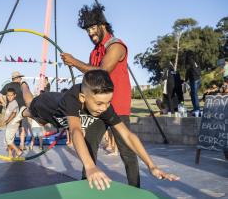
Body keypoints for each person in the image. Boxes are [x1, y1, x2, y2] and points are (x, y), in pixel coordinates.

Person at [14, 69, 179, 190]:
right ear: (83, 98)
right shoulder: (73, 98)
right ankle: (23, 84)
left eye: (108, 102)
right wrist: (90, 166)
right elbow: (76, 131)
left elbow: (128, 135)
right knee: (30, 105)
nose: (104, 108)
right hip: (46, 108)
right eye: (99, 104)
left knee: (43, 121)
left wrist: (152, 166)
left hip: (60, 121)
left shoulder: (103, 106)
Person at [60, 4, 140, 187]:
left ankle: (136, 189)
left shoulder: (117, 45)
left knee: (127, 153)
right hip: (97, 108)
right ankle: (85, 184)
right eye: (88, 29)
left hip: (117, 107)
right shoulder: (94, 51)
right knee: (89, 145)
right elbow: (91, 79)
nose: (90, 33)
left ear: (103, 25)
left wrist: (74, 62)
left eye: (93, 27)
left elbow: (103, 71)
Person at [0, 71, 27, 150]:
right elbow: (27, 97)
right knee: (21, 127)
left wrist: (5, 104)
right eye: (20, 77)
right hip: (22, 110)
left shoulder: (7, 85)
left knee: (10, 128)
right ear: (17, 78)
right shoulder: (22, 86)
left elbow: (0, 96)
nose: (21, 79)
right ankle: (22, 145)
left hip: (11, 109)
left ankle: (10, 145)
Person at [2, 88, 23, 158]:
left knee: (8, 140)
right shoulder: (10, 103)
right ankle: (10, 155)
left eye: (11, 95)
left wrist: (6, 121)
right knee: (9, 140)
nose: (9, 97)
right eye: (8, 95)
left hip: (12, 124)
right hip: (10, 124)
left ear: (15, 95)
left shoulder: (14, 103)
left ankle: (18, 151)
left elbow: (13, 114)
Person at [185, 50, 201, 117]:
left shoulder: (189, 60)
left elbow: (188, 71)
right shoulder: (195, 60)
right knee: (193, 94)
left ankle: (197, 109)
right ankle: (196, 108)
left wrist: (185, 79)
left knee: (194, 95)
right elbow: (199, 69)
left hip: (194, 79)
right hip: (198, 79)